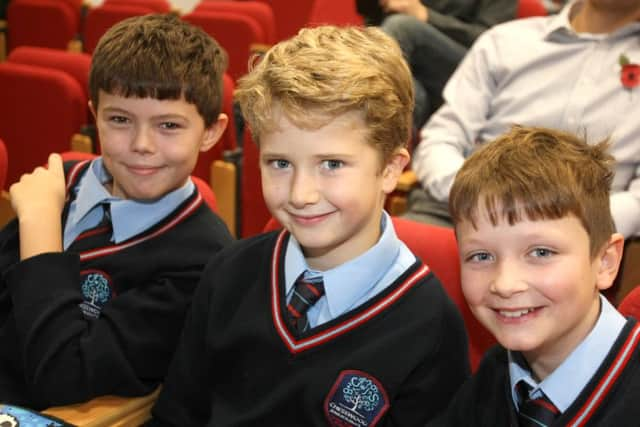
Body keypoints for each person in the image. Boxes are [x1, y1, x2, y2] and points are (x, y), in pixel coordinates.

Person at [148, 25, 469, 427]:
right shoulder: (229, 272)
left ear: (390, 169)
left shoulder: (431, 326)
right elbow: (175, 418)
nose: (301, 193)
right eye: (280, 163)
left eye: (332, 164)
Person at [0, 14, 233, 409]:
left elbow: (61, 378)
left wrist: (40, 230)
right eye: (120, 120)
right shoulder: (64, 181)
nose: (141, 144)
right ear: (95, 116)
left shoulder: (202, 260)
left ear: (211, 131)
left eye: (169, 126)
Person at [432, 125, 633, 426]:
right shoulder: (498, 370)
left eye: (541, 253)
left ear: (605, 262)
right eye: (481, 256)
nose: (505, 284)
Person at [409, 0, 640, 236]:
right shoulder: (504, 41)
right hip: (456, 214)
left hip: (578, 240)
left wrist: (569, 219)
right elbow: (441, 137)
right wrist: (477, 197)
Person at [356, 0, 517, 130]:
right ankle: (379, 148)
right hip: (410, 65)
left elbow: (492, 40)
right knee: (413, 90)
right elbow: (369, 16)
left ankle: (364, 132)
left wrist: (425, 15)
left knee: (401, 26)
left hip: (471, 68)